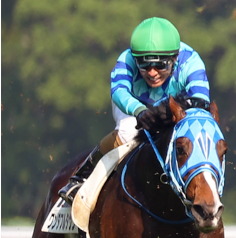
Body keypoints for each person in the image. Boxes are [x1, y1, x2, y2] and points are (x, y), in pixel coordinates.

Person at [59, 17, 210, 203]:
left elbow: (201, 102)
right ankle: (81, 177)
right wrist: (140, 111)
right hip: (133, 104)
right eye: (145, 65)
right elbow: (119, 92)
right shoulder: (127, 59)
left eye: (160, 65)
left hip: (173, 109)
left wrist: (161, 113)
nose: (152, 72)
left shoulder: (192, 62)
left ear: (175, 58)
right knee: (128, 131)